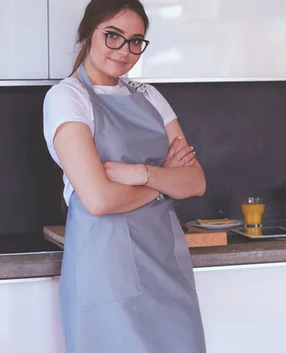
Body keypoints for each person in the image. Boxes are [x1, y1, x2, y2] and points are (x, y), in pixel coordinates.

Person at [42, 0, 207, 352]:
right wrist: (165, 182)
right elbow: (99, 200)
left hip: (166, 265)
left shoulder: (149, 95)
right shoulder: (67, 98)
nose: (124, 50)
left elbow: (195, 182)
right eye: (113, 36)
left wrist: (139, 174)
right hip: (106, 271)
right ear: (87, 33)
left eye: (135, 41)